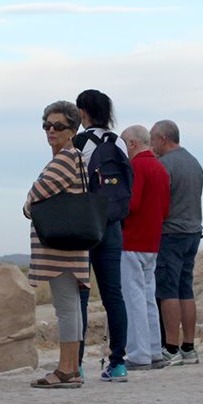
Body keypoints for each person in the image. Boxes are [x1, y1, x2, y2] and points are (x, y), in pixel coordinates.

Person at [24, 100, 92, 388]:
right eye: (47, 125)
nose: (50, 130)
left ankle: (66, 368)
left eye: (58, 126)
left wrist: (28, 204)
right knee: (72, 307)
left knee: (65, 307)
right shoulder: (76, 158)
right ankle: (72, 367)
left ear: (72, 129)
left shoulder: (64, 159)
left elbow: (35, 196)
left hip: (59, 248)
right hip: (72, 245)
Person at [74, 89, 132, 382]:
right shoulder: (118, 142)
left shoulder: (79, 143)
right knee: (114, 296)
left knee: (80, 297)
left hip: (85, 225)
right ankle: (118, 362)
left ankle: (77, 363)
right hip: (112, 225)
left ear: (83, 112)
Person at [152, 119, 203, 365]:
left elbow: (159, 204)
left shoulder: (164, 165)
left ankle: (171, 347)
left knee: (167, 290)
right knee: (186, 288)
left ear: (163, 138)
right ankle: (189, 347)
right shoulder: (194, 163)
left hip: (170, 234)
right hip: (193, 232)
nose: (151, 144)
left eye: (153, 139)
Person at [120, 124, 170, 369]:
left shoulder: (137, 167)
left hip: (132, 240)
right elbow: (164, 208)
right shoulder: (160, 168)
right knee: (148, 296)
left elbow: (132, 203)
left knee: (133, 297)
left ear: (132, 144)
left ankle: (139, 354)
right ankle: (153, 349)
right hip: (152, 241)